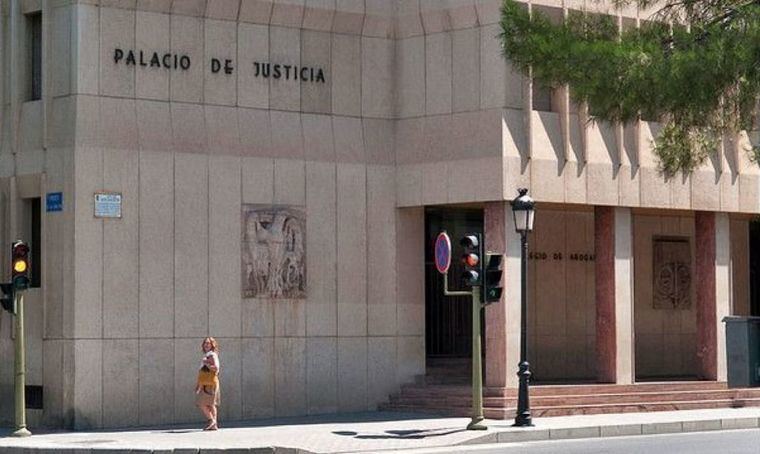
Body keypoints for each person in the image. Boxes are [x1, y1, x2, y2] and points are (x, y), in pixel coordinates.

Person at [195, 337, 220, 431]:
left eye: (208, 343)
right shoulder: (208, 355)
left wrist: (207, 364)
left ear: (212, 345)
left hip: (209, 383)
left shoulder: (212, 355)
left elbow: (216, 368)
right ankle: (214, 425)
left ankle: (211, 420)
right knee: (211, 404)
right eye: (205, 343)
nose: (206, 345)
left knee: (202, 403)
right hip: (208, 382)